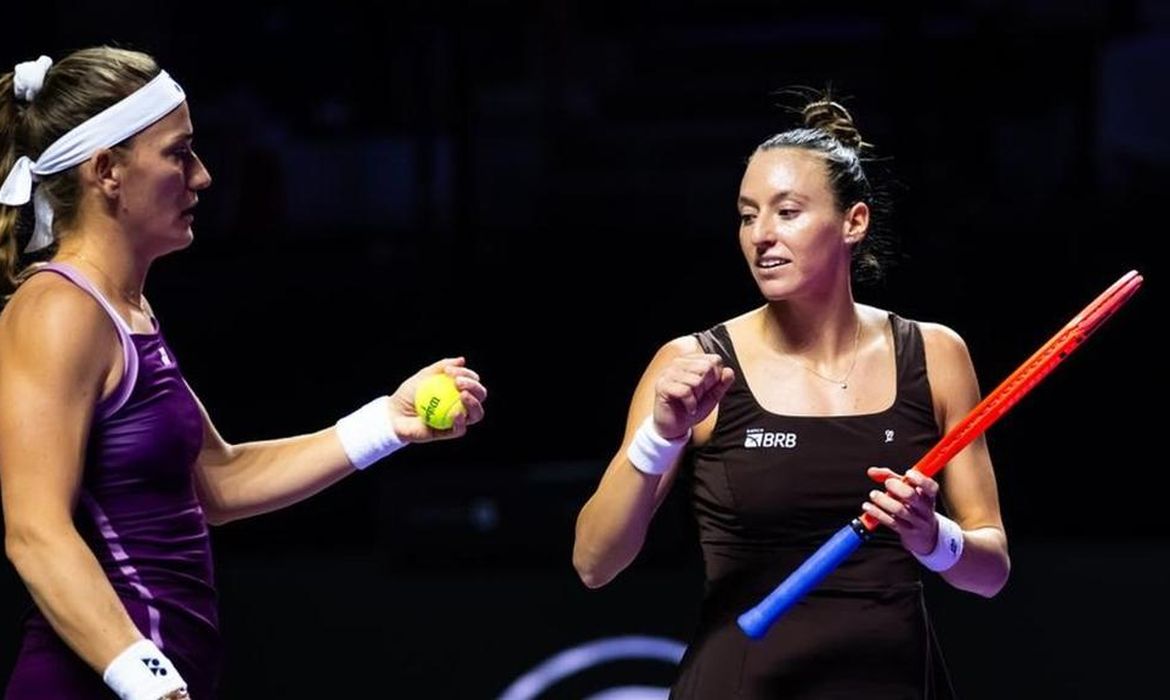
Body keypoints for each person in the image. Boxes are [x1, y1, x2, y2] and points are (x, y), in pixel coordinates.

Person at [0, 47, 487, 700]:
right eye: (179, 153)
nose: (201, 177)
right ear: (107, 170)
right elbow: (35, 531)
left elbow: (218, 483)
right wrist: (149, 684)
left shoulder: (125, 310)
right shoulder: (58, 310)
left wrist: (387, 423)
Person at [572, 92, 1010, 698]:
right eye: (748, 215)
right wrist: (662, 434)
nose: (761, 236)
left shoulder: (936, 354)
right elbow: (595, 563)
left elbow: (989, 573)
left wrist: (932, 536)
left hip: (894, 683)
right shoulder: (691, 364)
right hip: (743, 683)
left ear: (854, 221)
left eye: (788, 211)